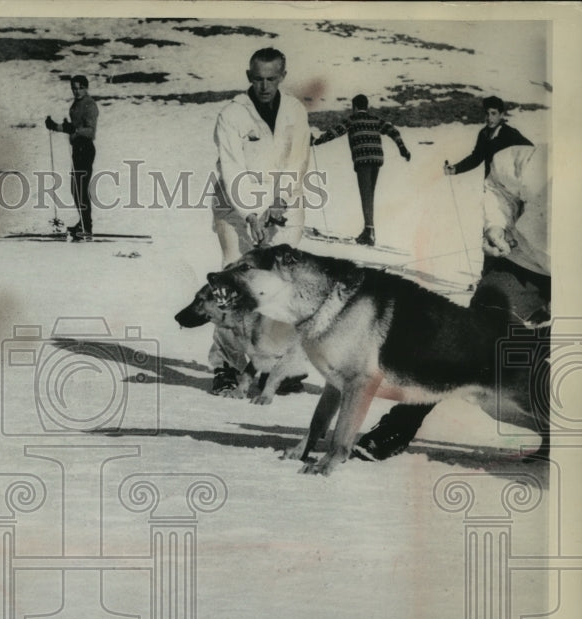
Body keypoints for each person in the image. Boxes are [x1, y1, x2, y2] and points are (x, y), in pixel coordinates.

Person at [353, 144, 550, 461]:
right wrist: (496, 224)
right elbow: (500, 185)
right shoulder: (536, 162)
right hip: (525, 263)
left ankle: (556, 434)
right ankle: (399, 426)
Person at [208, 47, 312, 396]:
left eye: (271, 79)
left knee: (282, 284)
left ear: (283, 76)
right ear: (248, 76)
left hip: (283, 206)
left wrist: (279, 204)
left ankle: (279, 368)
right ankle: (226, 364)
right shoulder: (232, 115)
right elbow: (231, 166)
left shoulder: (296, 111)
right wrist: (252, 212)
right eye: (257, 79)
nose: (264, 86)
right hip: (235, 207)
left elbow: (297, 160)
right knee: (231, 282)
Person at [312, 94, 411, 246]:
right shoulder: (375, 120)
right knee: (369, 193)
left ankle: (369, 232)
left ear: (355, 107)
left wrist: (317, 141)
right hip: (377, 160)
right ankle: (369, 230)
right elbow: (393, 131)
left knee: (366, 195)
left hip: (363, 160)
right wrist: (402, 148)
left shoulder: (352, 120)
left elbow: (335, 131)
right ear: (366, 106)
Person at [45, 75, 98, 241]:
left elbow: (90, 131)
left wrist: (73, 130)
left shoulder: (89, 105)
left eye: (79, 88)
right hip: (77, 149)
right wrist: (55, 126)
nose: (76, 91)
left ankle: (86, 226)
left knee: (80, 188)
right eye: (74, 88)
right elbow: (73, 128)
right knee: (76, 189)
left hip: (85, 148)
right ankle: (83, 223)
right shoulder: (76, 104)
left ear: (86, 88)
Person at [444, 96, 532, 178]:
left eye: (493, 113)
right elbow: (476, 158)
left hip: (509, 188)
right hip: (491, 185)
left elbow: (530, 151)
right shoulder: (484, 134)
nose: (489, 117)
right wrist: (456, 169)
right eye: (487, 113)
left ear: (501, 115)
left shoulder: (510, 133)